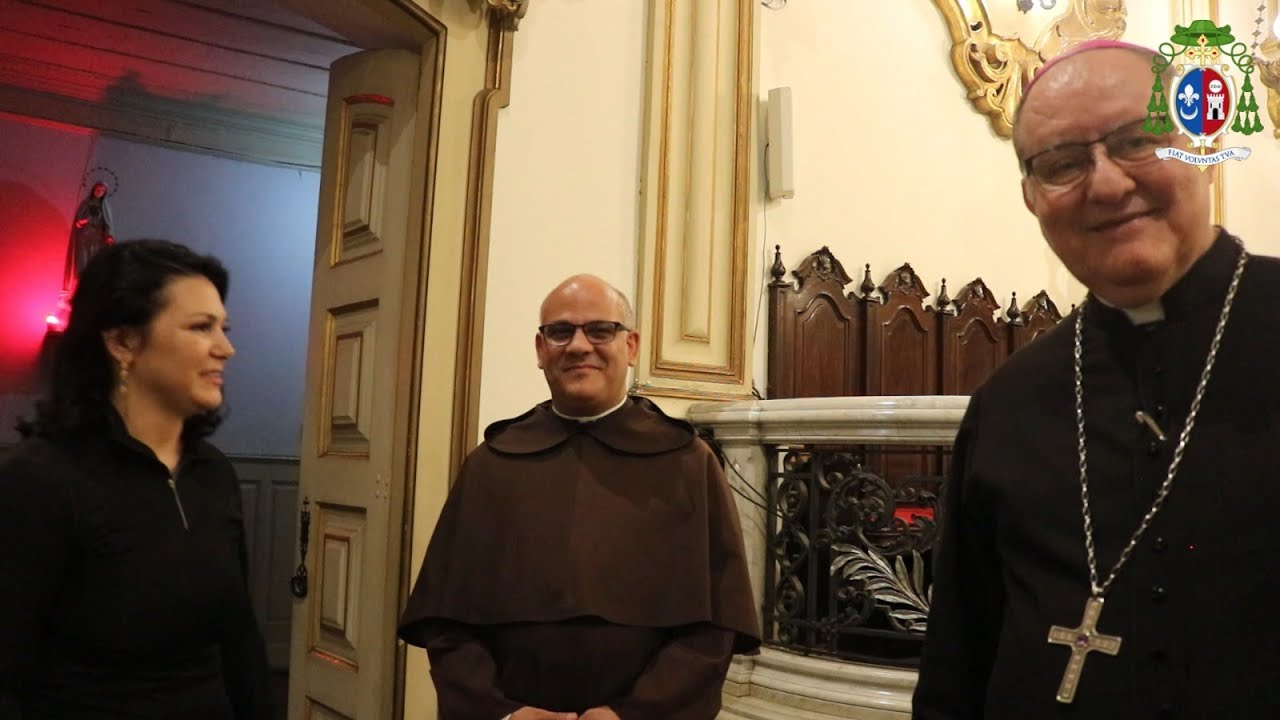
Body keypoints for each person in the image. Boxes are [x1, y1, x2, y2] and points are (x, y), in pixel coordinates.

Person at [913, 40, 1280, 718]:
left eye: (1138, 140)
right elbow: (958, 660)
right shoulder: (1007, 402)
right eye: (1063, 164)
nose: (1107, 185)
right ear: (1032, 198)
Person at [398, 274, 761, 720]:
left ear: (631, 346)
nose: (578, 346)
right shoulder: (490, 465)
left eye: (600, 330)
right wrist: (503, 714)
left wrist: (633, 715)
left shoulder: (688, 463)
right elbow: (447, 626)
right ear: (540, 349)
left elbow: (715, 630)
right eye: (560, 331)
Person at [0, 240, 273, 719]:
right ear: (122, 342)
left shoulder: (213, 474)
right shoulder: (40, 480)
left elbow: (239, 643)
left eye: (223, 328)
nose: (225, 349)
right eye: (200, 327)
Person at [64, 181, 115, 292]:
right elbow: (78, 221)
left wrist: (109, 235)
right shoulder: (86, 203)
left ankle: (92, 287)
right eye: (98, 190)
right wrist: (80, 222)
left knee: (95, 261)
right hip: (84, 237)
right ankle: (79, 286)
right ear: (93, 190)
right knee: (82, 261)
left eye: (102, 191)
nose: (99, 192)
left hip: (97, 238)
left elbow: (108, 223)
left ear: (104, 193)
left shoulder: (104, 206)